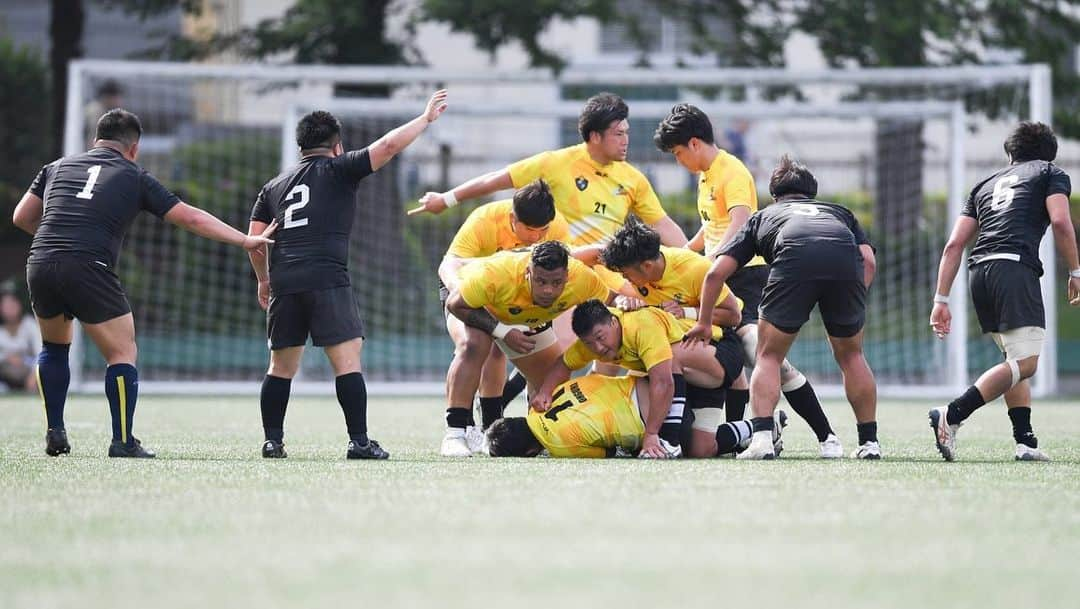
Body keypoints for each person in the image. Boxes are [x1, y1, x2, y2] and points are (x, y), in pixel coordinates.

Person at [12, 108, 277, 458]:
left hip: (42, 261)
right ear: (134, 148)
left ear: (95, 141)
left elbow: (21, 217)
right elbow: (190, 217)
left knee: (54, 348)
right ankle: (123, 442)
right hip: (88, 265)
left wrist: (58, 239)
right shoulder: (133, 175)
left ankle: (55, 432)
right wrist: (245, 240)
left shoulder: (56, 167)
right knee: (122, 352)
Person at [247, 90, 448, 461]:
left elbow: (255, 241)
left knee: (280, 367)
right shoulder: (339, 169)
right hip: (327, 278)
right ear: (336, 146)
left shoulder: (272, 187)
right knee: (347, 361)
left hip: (286, 282)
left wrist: (264, 280)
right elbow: (387, 145)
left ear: (300, 144)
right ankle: (359, 442)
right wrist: (424, 119)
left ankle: (273, 441)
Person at [654, 104, 842, 458]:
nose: (679, 160)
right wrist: (684, 254)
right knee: (733, 361)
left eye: (678, 153)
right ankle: (745, 435)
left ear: (694, 143)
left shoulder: (732, 171)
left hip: (744, 278)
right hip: (718, 275)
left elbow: (741, 224)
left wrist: (710, 265)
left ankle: (827, 435)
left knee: (767, 359)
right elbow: (712, 230)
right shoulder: (706, 176)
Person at [685, 155, 880, 460]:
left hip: (794, 256)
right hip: (844, 263)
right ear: (811, 192)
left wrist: (705, 321)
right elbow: (867, 261)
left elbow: (714, 274)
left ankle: (762, 439)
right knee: (852, 355)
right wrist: (854, 297)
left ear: (775, 195)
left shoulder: (763, 216)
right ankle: (869, 443)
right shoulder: (840, 213)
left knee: (768, 354)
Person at [928, 121, 1078, 462]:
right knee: (1026, 363)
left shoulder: (984, 184)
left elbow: (954, 245)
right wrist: (1076, 271)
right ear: (1049, 154)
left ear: (1011, 154)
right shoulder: (1049, 173)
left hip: (979, 272)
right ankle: (952, 414)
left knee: (1012, 359)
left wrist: (941, 300)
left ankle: (1025, 442)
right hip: (1014, 268)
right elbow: (1060, 221)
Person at [407, 92, 687, 248]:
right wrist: (445, 200)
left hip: (607, 276)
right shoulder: (556, 162)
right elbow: (495, 180)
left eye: (627, 132)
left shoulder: (633, 179)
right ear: (594, 136)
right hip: (558, 273)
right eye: (618, 134)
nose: (626, 140)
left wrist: (693, 261)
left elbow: (660, 223)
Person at [443, 241, 612, 456]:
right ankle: (455, 433)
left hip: (523, 317)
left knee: (553, 385)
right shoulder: (497, 274)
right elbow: (455, 304)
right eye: (540, 281)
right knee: (475, 344)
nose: (548, 290)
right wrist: (502, 332)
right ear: (528, 271)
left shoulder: (583, 279)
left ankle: (540, 433)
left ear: (567, 276)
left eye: (556, 282)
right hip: (471, 302)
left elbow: (610, 306)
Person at [531, 298, 754, 458]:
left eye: (600, 337)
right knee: (700, 450)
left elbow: (664, 382)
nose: (597, 347)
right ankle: (763, 426)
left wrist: (652, 434)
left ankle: (670, 440)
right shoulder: (592, 344)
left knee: (667, 358)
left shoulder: (639, 325)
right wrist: (544, 391)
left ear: (613, 322)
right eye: (590, 343)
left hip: (720, 352)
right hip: (689, 379)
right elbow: (563, 363)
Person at [437, 179, 570, 430]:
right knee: (475, 344)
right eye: (531, 230)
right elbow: (449, 265)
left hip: (521, 294)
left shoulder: (557, 227)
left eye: (544, 230)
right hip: (470, 290)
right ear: (512, 219)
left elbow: (564, 270)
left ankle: (497, 427)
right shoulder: (485, 219)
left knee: (539, 362)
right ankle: (459, 430)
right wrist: (468, 299)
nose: (539, 237)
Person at [488, 373, 782, 459]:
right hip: (652, 380)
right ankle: (760, 428)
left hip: (656, 412)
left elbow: (606, 452)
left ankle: (761, 429)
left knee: (698, 450)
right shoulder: (541, 403)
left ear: (528, 451)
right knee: (700, 441)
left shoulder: (558, 446)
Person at [0, 292, 40, 392]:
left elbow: (41, 353)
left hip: (31, 376)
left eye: (13, 304)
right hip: (5, 379)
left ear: (19, 305)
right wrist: (7, 358)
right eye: (6, 306)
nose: (10, 309)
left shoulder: (30, 325)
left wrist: (33, 376)